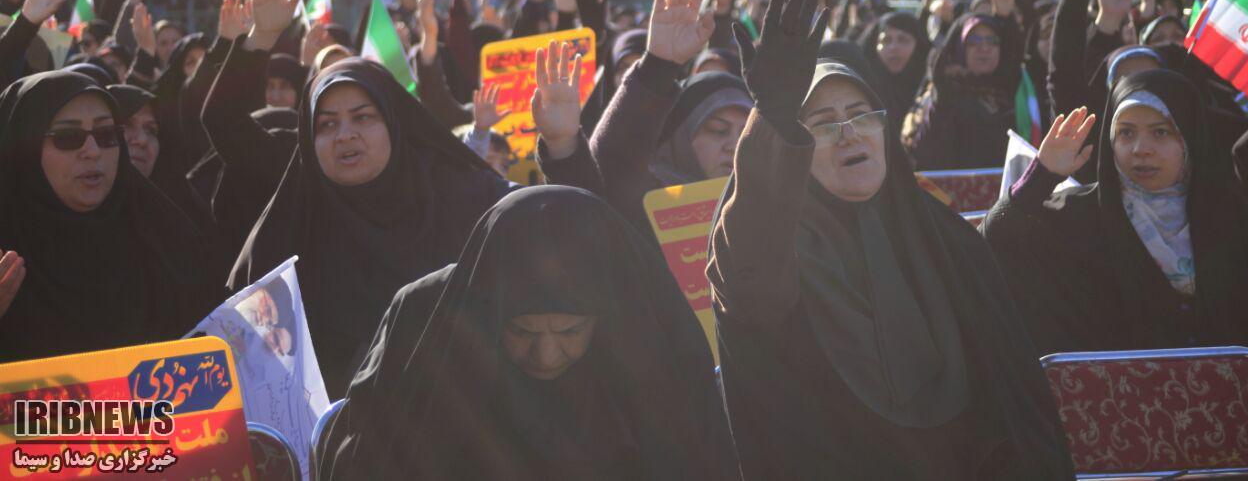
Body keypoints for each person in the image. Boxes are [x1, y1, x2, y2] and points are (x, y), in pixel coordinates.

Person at [707, 0, 1072, 479]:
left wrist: (1036, 184)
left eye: (861, 115)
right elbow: (748, 276)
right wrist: (772, 118)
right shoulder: (779, 249)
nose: (849, 134)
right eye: (822, 123)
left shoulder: (931, 227)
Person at [316, 186, 740, 481]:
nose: (547, 354)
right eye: (521, 331)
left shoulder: (643, 339)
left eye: (570, 331)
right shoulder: (427, 324)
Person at [230, 44, 515, 388]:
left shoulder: (459, 195)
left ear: (393, 122)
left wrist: (561, 146)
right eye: (327, 124)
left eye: (362, 117)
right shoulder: (287, 231)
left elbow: (550, 229)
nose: (345, 135)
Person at [982, 73, 1248, 361]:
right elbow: (991, 244)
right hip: (1113, 395)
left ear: (1188, 137)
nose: (1141, 149)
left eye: (1160, 132)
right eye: (1126, 133)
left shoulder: (1233, 218)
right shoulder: (1077, 215)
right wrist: (1041, 176)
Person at [0, 70, 221, 362]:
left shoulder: (167, 241)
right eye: (68, 137)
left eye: (106, 135)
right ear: (24, 149)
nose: (92, 151)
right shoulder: (7, 261)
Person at [536, 0, 752, 238]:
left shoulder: (769, 207)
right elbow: (611, 171)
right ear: (680, 137)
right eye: (718, 130)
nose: (733, 146)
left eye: (746, 135)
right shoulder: (643, 208)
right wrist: (658, 65)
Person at [901, 0, 1021, 171]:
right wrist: (942, 96)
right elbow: (928, 154)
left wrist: (1005, 19)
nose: (984, 48)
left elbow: (1014, 57)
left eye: (992, 41)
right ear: (958, 49)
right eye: (973, 41)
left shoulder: (1006, 90)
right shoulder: (946, 94)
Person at [856, 12, 929, 139]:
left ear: (918, 46)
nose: (893, 47)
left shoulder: (932, 93)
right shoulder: (863, 94)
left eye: (903, 40)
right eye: (886, 40)